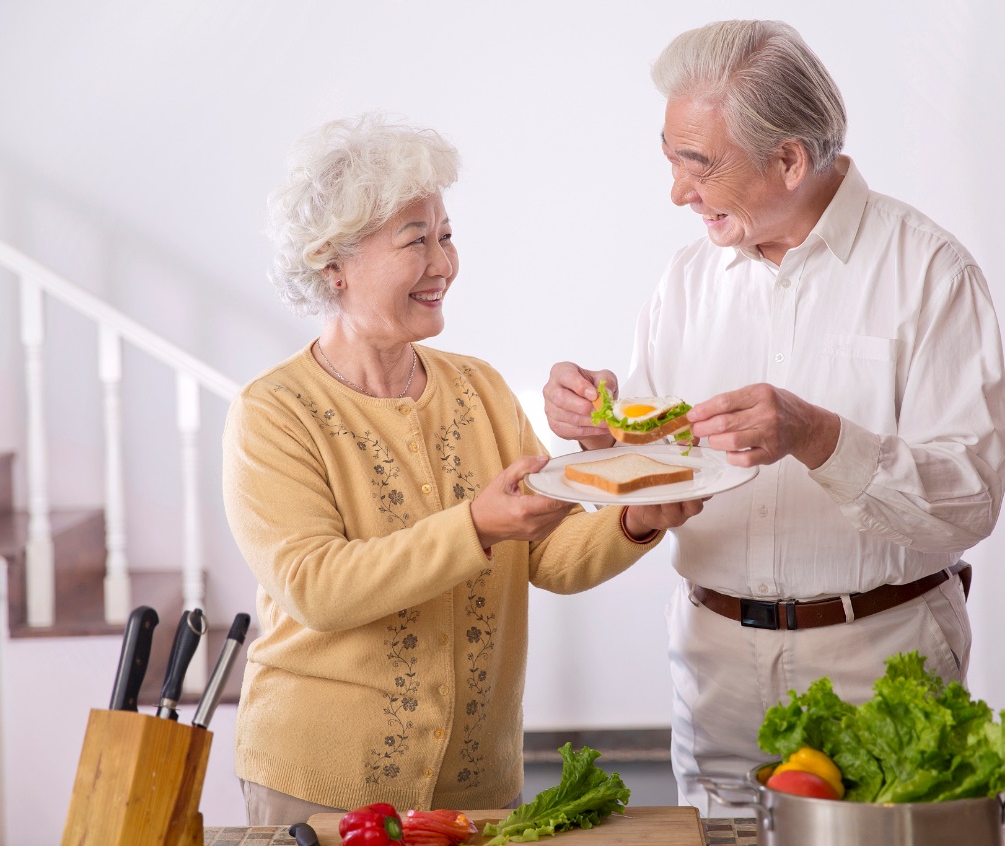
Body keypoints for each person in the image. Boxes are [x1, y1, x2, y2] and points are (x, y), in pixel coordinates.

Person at [543, 20, 1005, 811]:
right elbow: (658, 465)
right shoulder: (686, 279)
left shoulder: (930, 271)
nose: (676, 193)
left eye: (697, 166)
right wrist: (605, 424)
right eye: (670, 160)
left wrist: (817, 435)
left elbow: (969, 500)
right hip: (714, 665)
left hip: (879, 662)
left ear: (788, 159)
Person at [222, 114, 703, 824]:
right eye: (415, 241)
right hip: (320, 788)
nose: (443, 264)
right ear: (333, 265)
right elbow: (314, 587)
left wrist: (633, 517)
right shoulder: (273, 413)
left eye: (445, 236)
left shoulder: (478, 388)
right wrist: (475, 525)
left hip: (478, 785)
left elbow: (546, 558)